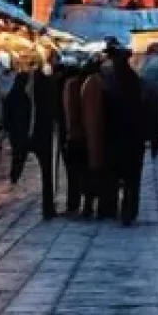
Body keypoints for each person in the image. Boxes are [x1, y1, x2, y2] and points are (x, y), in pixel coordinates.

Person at [103, 43, 146, 225]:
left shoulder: (110, 81)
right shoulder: (135, 80)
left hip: (116, 135)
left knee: (115, 173)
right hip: (133, 136)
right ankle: (130, 209)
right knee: (132, 177)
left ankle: (114, 207)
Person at [30, 57, 58, 219]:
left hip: (37, 131)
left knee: (46, 170)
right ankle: (48, 205)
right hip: (45, 131)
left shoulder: (32, 84)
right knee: (47, 170)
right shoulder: (49, 85)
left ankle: (48, 205)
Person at [81, 56, 108, 218]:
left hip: (92, 136)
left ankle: (90, 204)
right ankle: (92, 205)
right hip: (94, 136)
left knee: (91, 171)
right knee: (94, 171)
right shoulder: (95, 83)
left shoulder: (90, 83)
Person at [61, 63, 89, 214]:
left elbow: (69, 114)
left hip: (74, 136)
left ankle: (73, 204)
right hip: (84, 135)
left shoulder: (70, 85)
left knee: (73, 173)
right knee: (83, 171)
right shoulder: (82, 84)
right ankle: (85, 203)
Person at [3, 65, 32, 185]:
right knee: (21, 153)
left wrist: (7, 127)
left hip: (14, 130)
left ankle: (14, 175)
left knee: (17, 153)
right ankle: (15, 174)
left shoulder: (12, 94)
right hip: (22, 130)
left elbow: (6, 112)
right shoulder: (26, 97)